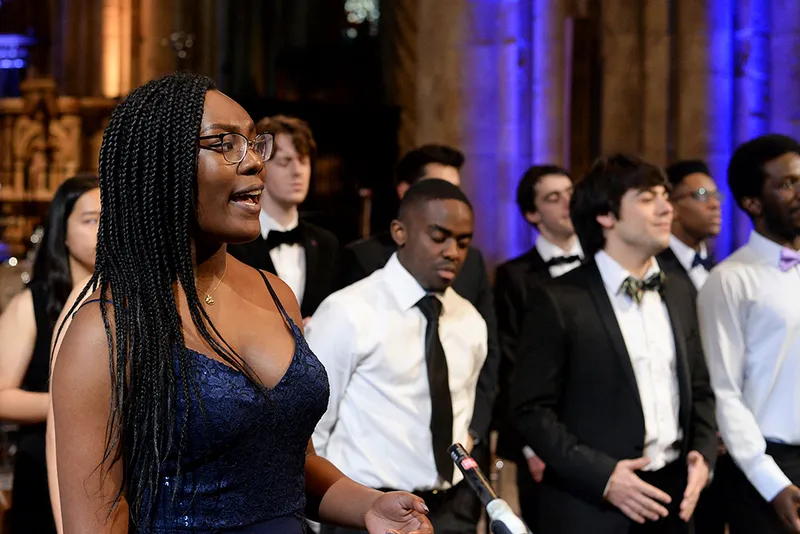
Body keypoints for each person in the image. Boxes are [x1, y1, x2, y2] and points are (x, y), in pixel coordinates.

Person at [50, 72, 431, 534]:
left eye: (255, 144)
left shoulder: (276, 293)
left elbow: (287, 462)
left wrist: (368, 505)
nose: (255, 163)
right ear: (161, 164)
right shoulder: (108, 328)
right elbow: (98, 521)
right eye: (226, 144)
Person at [511, 154, 717, 534]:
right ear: (606, 215)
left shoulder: (680, 288)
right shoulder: (559, 298)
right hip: (592, 506)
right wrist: (604, 477)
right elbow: (530, 410)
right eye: (646, 198)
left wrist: (703, 456)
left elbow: (701, 388)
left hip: (675, 503)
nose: (664, 208)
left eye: (665, 196)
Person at [308, 179, 487, 533]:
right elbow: (312, 429)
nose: (453, 251)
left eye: (463, 242)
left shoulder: (470, 320)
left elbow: (462, 411)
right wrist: (320, 518)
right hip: (364, 511)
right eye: (439, 237)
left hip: (450, 510)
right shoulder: (348, 311)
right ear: (400, 232)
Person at [338, 144, 498, 466]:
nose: (452, 252)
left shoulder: (470, 284)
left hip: (456, 473)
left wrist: (473, 432)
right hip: (375, 474)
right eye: (438, 187)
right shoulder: (358, 281)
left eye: (462, 242)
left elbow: (487, 360)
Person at [697, 134, 800, 534]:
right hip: (768, 467)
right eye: (786, 184)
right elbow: (724, 393)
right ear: (751, 203)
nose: (798, 192)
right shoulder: (728, 281)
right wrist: (771, 482)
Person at [0, 175, 100, 534]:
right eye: (91, 220)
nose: (105, 231)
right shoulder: (34, 305)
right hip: (42, 469)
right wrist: (76, 407)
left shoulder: (128, 302)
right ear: (62, 231)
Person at [493, 164, 581, 531]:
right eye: (553, 197)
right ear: (532, 214)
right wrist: (534, 445)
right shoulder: (514, 276)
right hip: (540, 438)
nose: (567, 203)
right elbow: (512, 363)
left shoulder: (602, 266)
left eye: (570, 193)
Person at [228, 115, 339, 319]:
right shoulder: (233, 243)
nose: (297, 171)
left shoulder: (327, 244)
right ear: (260, 165)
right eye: (285, 161)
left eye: (303, 161)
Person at [658, 160, 722, 292]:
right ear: (671, 207)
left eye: (715, 195)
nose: (715, 204)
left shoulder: (720, 271)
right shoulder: (654, 268)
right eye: (701, 195)